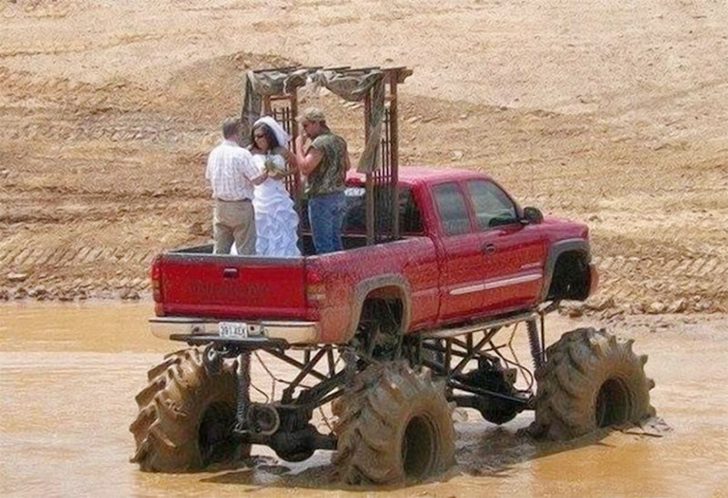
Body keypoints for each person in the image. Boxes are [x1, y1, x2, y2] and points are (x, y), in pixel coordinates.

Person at [292, 107, 351, 254]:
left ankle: (329, 270)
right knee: (336, 241)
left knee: (324, 246)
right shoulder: (339, 141)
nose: (305, 131)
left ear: (316, 123)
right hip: (339, 196)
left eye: (306, 125)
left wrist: (298, 146)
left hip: (322, 198)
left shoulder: (320, 144)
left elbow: (305, 167)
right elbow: (347, 165)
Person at [205, 117, 267, 255]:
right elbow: (256, 179)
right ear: (238, 132)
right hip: (240, 206)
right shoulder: (242, 154)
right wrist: (267, 172)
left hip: (220, 206)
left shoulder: (214, 153)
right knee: (246, 249)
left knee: (220, 249)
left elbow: (209, 177)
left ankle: (218, 269)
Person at [249, 117, 301, 257]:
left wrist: (284, 174)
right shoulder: (252, 152)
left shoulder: (281, 151)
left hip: (276, 194)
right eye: (255, 136)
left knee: (280, 226)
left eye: (260, 136)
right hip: (260, 194)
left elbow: (297, 166)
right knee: (260, 228)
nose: (257, 139)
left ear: (269, 136)